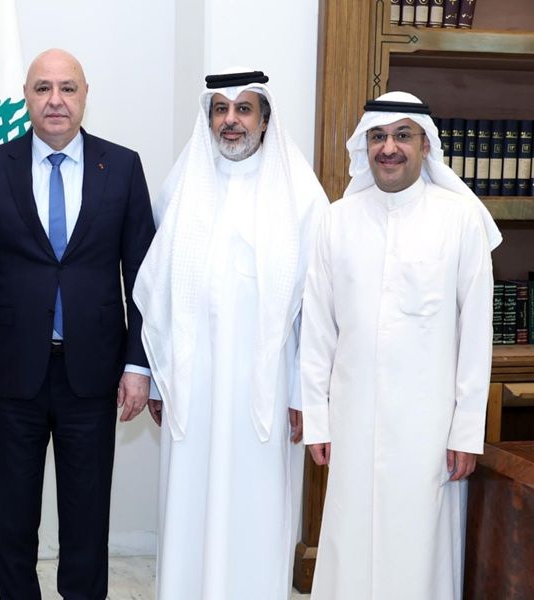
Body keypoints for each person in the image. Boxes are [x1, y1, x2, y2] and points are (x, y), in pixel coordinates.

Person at [0, 48, 155, 599]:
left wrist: (138, 365)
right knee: (13, 519)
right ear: (27, 97)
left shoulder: (123, 167)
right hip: (10, 377)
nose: (56, 100)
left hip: (94, 375)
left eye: (67, 88)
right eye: (43, 88)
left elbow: (143, 279)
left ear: (85, 96)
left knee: (87, 518)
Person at [132, 70, 328, 599]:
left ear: (264, 120)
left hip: (265, 389)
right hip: (192, 386)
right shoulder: (182, 188)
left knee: (257, 505)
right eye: (220, 108)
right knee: (189, 501)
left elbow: (315, 307)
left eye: (244, 109)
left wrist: (303, 393)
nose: (231, 120)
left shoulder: (301, 196)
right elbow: (159, 295)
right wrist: (159, 380)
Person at [302, 91, 501, 600]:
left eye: (402, 136)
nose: (388, 148)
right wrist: (318, 419)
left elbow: (475, 335)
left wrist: (466, 431)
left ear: (425, 145)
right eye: (378, 137)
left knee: (419, 545)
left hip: (429, 429)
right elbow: (318, 330)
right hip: (351, 420)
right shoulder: (336, 221)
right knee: (350, 538)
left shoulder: (460, 220)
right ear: (364, 146)